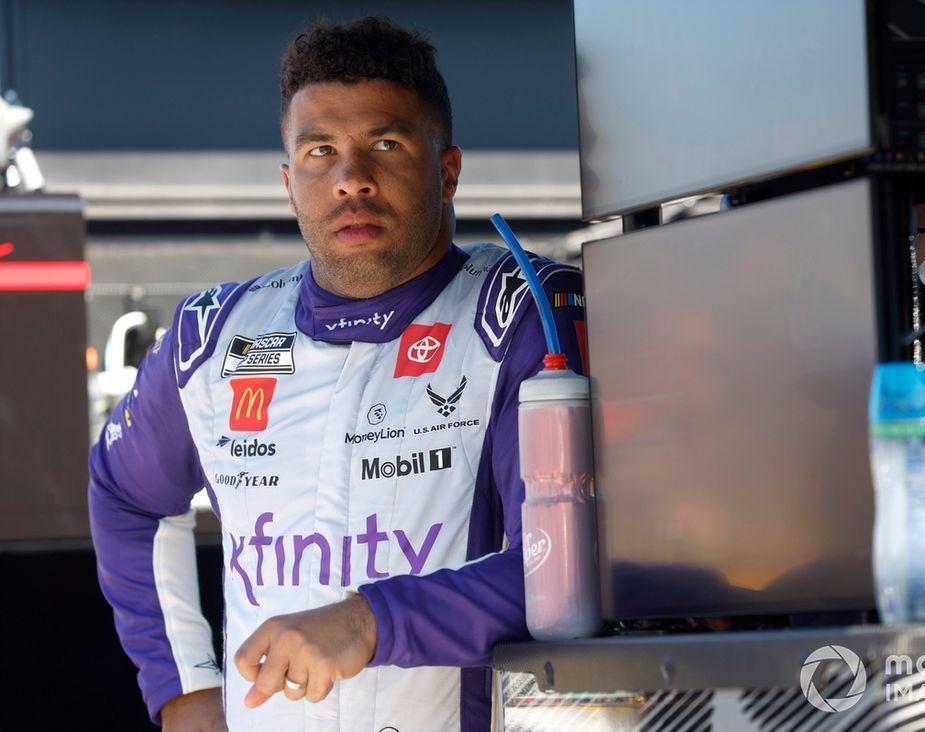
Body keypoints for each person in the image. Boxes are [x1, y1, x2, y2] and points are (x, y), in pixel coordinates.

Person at [89, 16, 586, 732]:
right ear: (290, 185)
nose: (352, 179)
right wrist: (183, 688)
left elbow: (565, 571)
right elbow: (124, 495)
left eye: (385, 145)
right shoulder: (216, 337)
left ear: (447, 170)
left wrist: (368, 622)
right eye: (320, 151)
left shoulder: (522, 315)